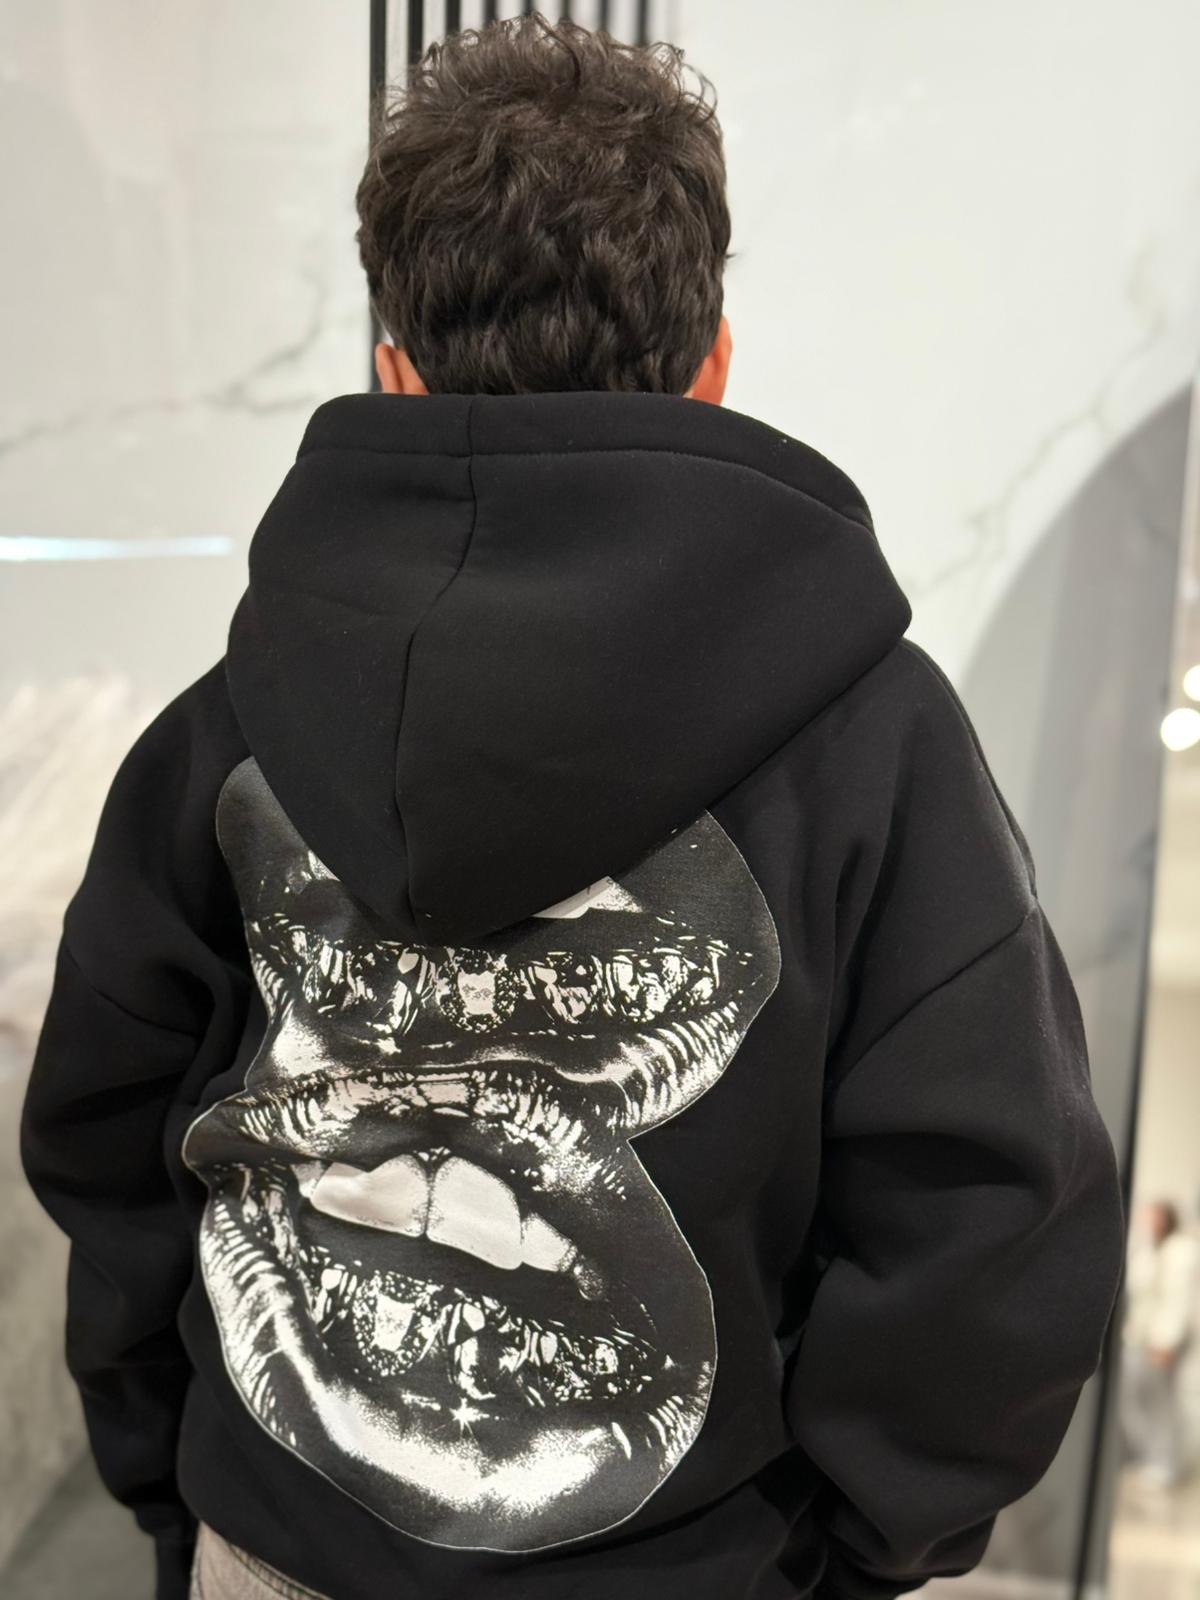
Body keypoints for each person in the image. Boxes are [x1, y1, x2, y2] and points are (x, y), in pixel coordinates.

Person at [20, 14, 1126, 1600]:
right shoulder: (880, 751)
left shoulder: (224, 731)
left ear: (394, 369)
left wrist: (177, 1481)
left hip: (265, 1548)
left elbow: (107, 1139)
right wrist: (860, 1547)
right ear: (714, 366)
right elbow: (992, 1211)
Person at [1120, 1199, 1199, 1489]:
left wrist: (1165, 1341)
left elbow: (1177, 1301)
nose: (1147, 1221)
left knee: (1163, 1405)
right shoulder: (1149, 1248)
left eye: (1152, 1216)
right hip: (1141, 1338)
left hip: (1164, 1342)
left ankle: (1165, 1464)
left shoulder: (1180, 1252)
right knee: (1139, 1400)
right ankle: (1146, 1456)